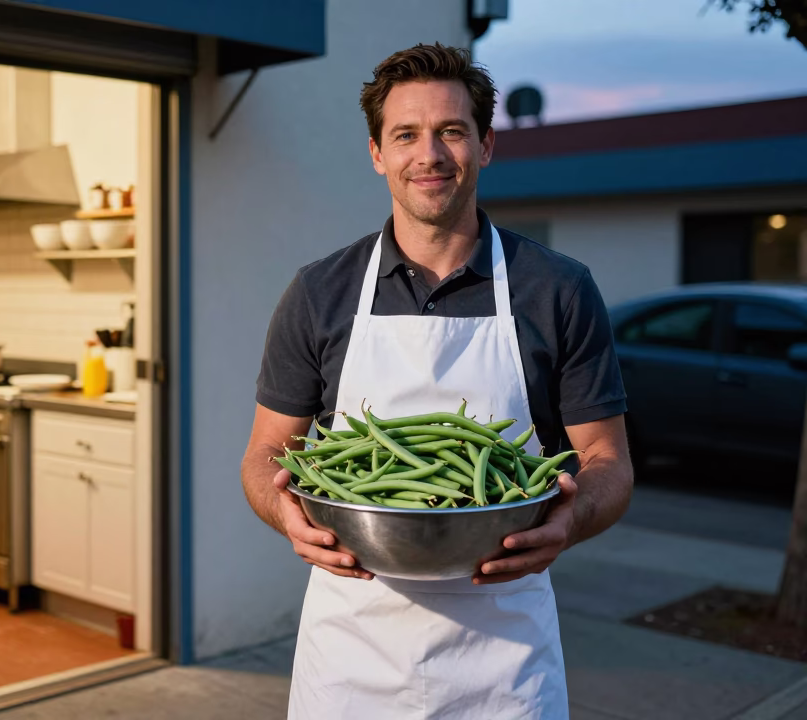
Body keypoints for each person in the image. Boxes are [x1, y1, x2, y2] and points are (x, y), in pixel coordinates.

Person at [241, 43, 634, 719]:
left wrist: (568, 524)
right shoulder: (319, 291)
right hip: (351, 654)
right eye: (406, 135)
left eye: (452, 132)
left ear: (485, 146)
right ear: (376, 153)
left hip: (503, 658)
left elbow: (607, 461)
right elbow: (265, 453)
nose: (430, 154)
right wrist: (285, 514)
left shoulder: (559, 289)